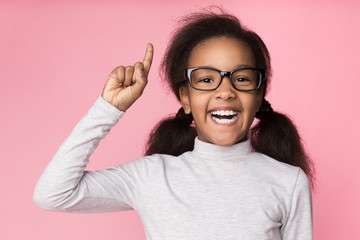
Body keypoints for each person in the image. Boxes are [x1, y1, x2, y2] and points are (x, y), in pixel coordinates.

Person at [34, 9, 315, 240]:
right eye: (206, 79)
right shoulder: (153, 176)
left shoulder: (288, 182)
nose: (225, 91)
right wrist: (108, 109)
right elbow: (54, 194)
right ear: (186, 98)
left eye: (241, 79)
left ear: (258, 95)